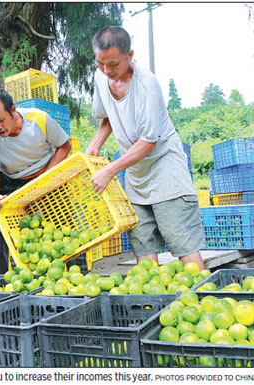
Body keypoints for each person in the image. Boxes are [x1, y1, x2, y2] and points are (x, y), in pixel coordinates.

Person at [85, 26, 205, 271]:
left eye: (113, 64)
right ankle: (152, 302)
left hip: (165, 172)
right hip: (136, 173)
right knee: (143, 243)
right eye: (100, 64)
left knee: (182, 242)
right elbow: (107, 116)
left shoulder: (147, 85)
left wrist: (110, 170)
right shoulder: (101, 77)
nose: (107, 71)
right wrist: (94, 146)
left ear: (129, 55)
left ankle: (204, 298)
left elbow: (148, 142)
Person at [0, 88, 71, 273]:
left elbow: (64, 145)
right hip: (12, 184)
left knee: (62, 230)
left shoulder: (39, 119)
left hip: (47, 177)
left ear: (12, 109)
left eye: (0, 120)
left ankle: (73, 278)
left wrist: (47, 178)